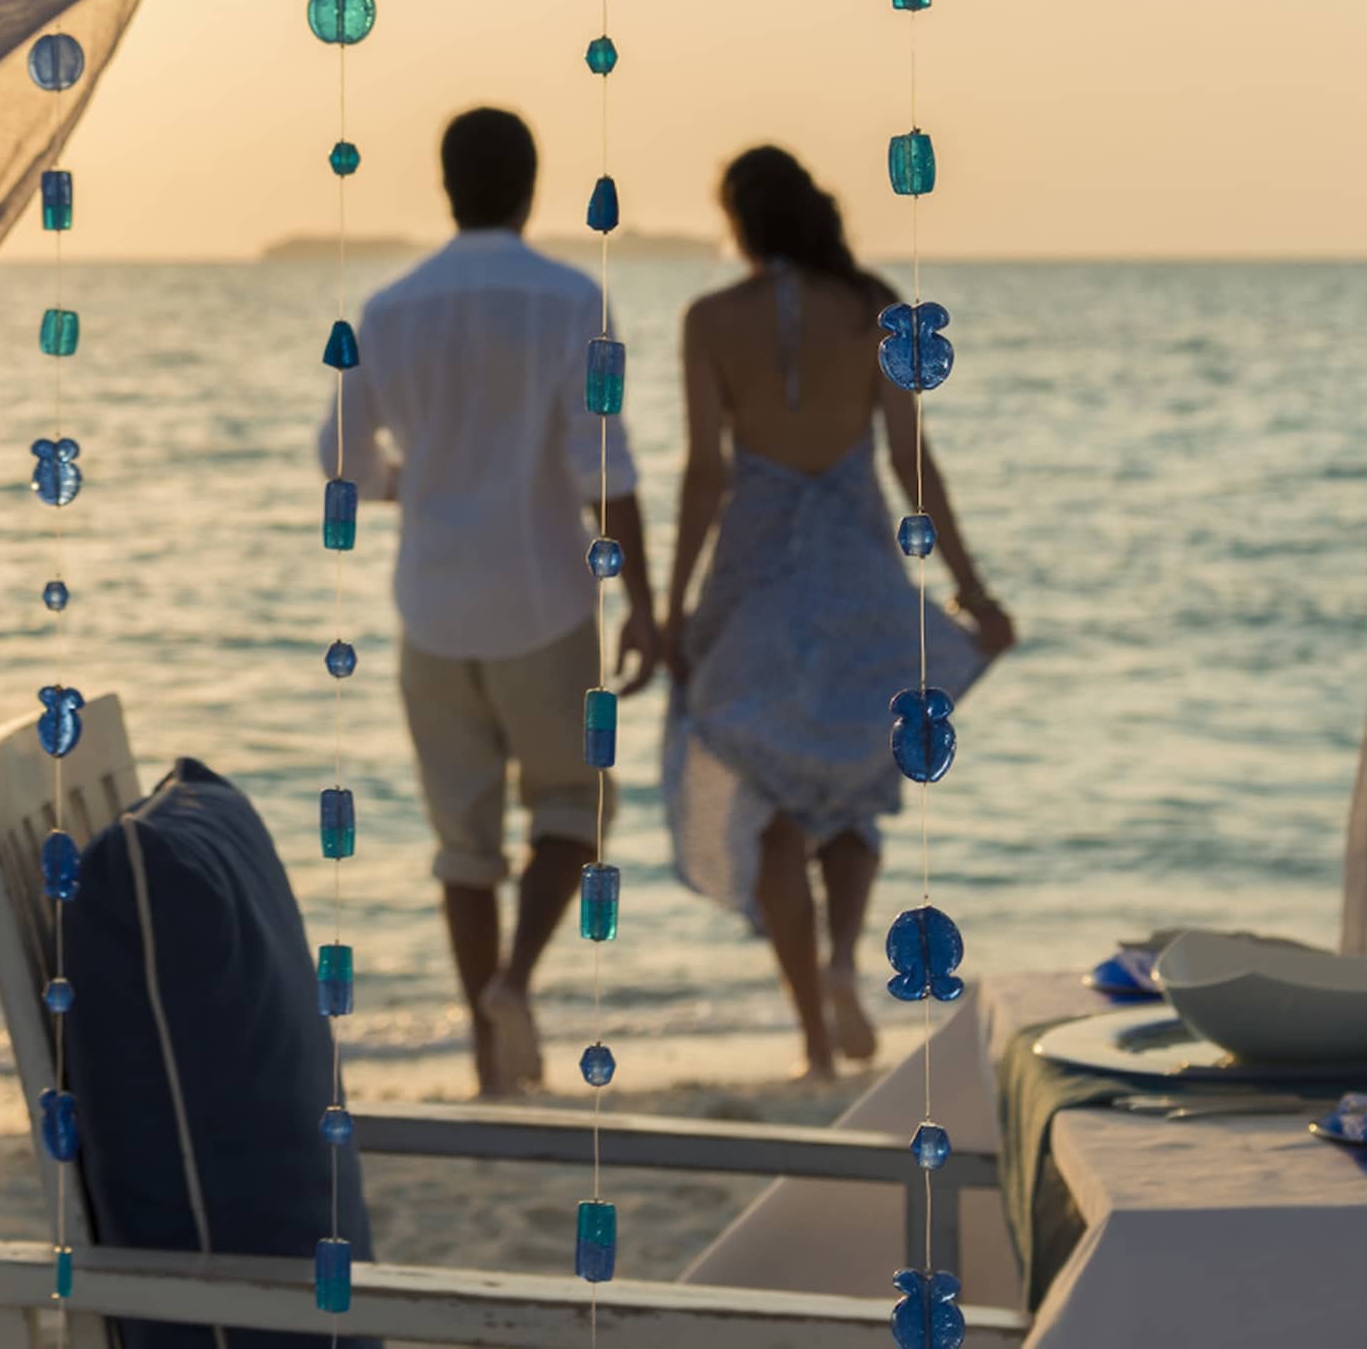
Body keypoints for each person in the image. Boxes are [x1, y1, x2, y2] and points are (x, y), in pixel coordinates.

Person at [323, 106, 658, 1095]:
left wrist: (408, 486)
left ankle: (486, 1052)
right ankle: (515, 984)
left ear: (445, 184)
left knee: (462, 849)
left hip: (431, 609)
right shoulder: (568, 299)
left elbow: (338, 459)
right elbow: (607, 463)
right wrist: (642, 599)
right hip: (546, 601)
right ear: (530, 185)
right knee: (574, 811)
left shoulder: (387, 308)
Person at [661, 145, 1014, 1078]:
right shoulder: (875, 309)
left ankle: (816, 1040)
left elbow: (705, 472)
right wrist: (971, 591)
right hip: (858, 562)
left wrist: (667, 604)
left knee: (772, 802)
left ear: (738, 220)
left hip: (757, 570)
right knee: (856, 786)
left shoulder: (710, 320)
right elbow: (911, 463)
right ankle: (848, 961)